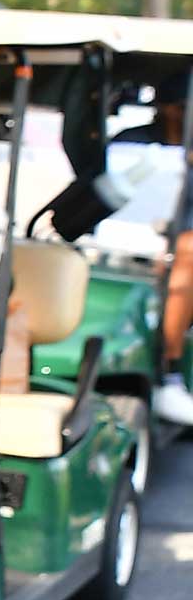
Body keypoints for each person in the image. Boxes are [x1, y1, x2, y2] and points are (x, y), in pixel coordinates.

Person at [112, 74, 193, 424]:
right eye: (181, 107)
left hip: (180, 251)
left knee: (185, 258)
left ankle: (168, 369)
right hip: (125, 242)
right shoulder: (132, 143)